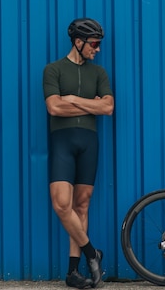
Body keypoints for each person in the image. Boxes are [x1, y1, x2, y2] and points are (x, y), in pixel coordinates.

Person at [43, 18, 114, 289]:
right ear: (78, 42)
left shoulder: (99, 74)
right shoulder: (53, 70)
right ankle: (91, 253)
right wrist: (89, 105)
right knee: (62, 204)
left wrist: (71, 99)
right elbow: (54, 108)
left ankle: (73, 273)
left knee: (81, 206)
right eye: (94, 44)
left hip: (89, 142)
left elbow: (107, 107)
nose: (97, 49)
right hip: (62, 141)